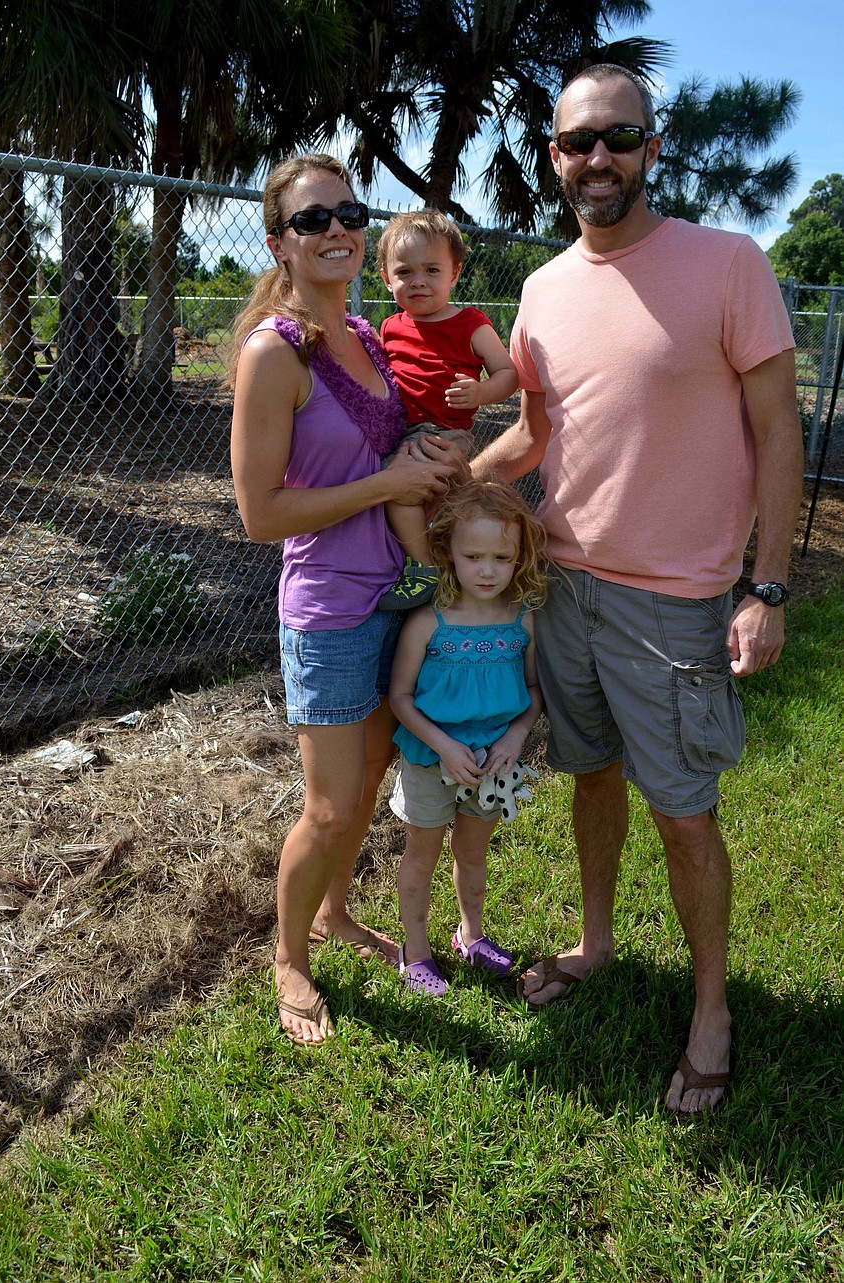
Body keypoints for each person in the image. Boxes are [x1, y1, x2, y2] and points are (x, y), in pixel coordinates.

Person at [471, 64, 804, 1111]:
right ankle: (598, 940)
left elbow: (776, 430)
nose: (596, 159)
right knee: (592, 775)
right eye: (577, 142)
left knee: (683, 811)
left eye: (618, 138)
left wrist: (770, 586)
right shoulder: (541, 289)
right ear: (555, 156)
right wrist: (457, 480)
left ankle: (712, 1008)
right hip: (563, 587)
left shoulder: (726, 263)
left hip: (675, 601)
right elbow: (537, 431)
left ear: (653, 149)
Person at [229, 154, 460, 1046]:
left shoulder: (367, 336)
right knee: (327, 807)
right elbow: (260, 514)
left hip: (394, 595)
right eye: (311, 219)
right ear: (279, 240)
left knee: (367, 781)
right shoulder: (271, 353)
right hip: (329, 608)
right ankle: (290, 958)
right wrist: (387, 483)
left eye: (348, 213)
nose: (335, 230)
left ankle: (331, 915)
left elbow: (391, 464)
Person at [387, 479, 546, 994]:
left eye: (501, 557)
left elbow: (533, 689)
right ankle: (415, 951)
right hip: (433, 758)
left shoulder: (523, 622)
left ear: (519, 557)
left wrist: (517, 735)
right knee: (423, 854)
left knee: (473, 854)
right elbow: (401, 698)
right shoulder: (427, 623)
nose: (486, 569)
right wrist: (444, 746)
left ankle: (470, 935)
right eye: (473, 554)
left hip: (492, 763)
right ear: (448, 552)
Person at [375, 210, 518, 610]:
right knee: (422, 502)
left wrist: (480, 392)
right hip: (400, 431)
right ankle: (438, 563)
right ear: (387, 279)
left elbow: (509, 374)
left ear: (454, 273)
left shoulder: (470, 323)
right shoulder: (390, 327)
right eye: (404, 272)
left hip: (440, 432)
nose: (418, 281)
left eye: (432, 270)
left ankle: (424, 569)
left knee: (398, 491)